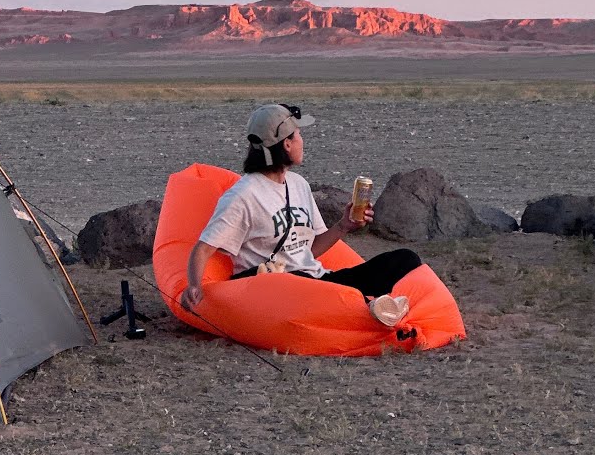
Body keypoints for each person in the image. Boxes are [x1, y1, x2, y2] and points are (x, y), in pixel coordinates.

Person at [178, 103, 424, 327]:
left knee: (405, 259)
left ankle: (370, 307)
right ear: (287, 143)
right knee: (298, 283)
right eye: (298, 135)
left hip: (317, 280)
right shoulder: (243, 195)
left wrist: (343, 226)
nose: (301, 141)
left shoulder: (298, 184)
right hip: (275, 289)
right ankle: (369, 308)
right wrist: (194, 286)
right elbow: (203, 248)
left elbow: (307, 251)